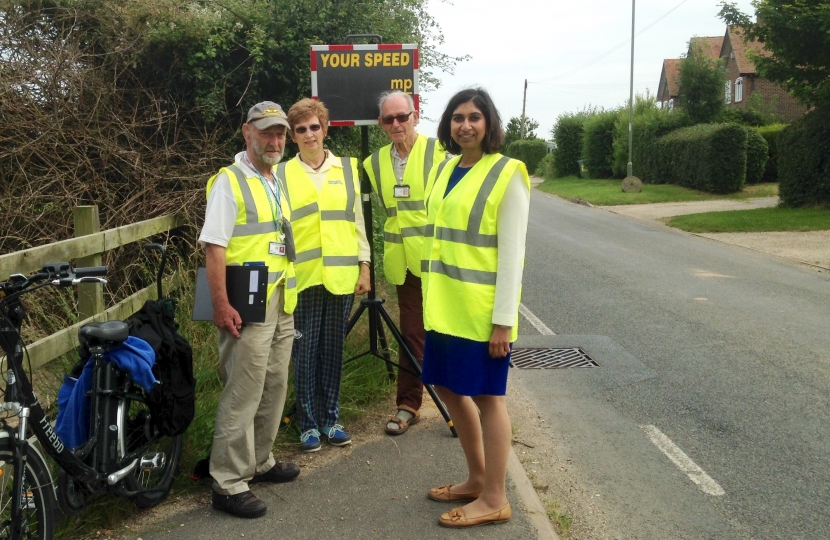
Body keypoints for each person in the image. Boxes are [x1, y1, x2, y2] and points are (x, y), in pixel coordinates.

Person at [420, 88, 530, 528]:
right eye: (457, 118)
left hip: (481, 315)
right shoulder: (447, 167)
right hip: (444, 309)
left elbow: (512, 254)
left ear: (489, 124)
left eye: (474, 117)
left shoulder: (508, 173)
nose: (465, 125)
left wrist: (503, 322)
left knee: (488, 399)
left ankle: (495, 498)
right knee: (448, 390)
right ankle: (477, 479)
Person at [199, 101, 301, 519]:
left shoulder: (274, 178)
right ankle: (226, 481)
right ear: (247, 133)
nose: (275, 140)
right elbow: (214, 247)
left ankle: (260, 460)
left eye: (280, 133)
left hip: (279, 297)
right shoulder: (230, 181)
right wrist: (221, 305)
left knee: (273, 384)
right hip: (244, 303)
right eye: (267, 133)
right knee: (243, 390)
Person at [277, 98, 371, 453]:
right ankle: (308, 425)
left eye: (314, 127)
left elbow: (357, 222)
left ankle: (331, 419)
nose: (308, 134)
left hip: (342, 276)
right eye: (301, 129)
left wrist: (365, 265)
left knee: (332, 350)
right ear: (293, 136)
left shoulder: (348, 169)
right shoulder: (283, 173)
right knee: (303, 352)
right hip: (302, 278)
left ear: (325, 128)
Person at [364, 90, 445, 436]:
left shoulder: (441, 152)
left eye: (402, 116)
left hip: (442, 259)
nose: (396, 124)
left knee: (449, 331)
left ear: (415, 115)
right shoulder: (373, 163)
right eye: (388, 119)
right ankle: (408, 404)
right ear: (381, 124)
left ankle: (463, 401)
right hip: (406, 263)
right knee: (412, 333)